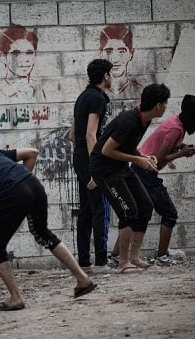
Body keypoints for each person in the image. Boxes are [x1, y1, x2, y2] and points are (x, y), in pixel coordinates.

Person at [0, 133, 96, 311]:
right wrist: (17, 180)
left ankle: (16, 297)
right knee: (43, 234)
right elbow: (32, 153)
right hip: (34, 186)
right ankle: (82, 279)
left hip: (13, 193)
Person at [89, 83, 170, 272]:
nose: (166, 107)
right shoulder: (129, 120)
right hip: (104, 169)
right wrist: (137, 160)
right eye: (165, 103)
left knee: (145, 205)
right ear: (158, 105)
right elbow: (106, 150)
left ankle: (134, 257)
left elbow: (126, 144)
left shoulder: (144, 120)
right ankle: (123, 262)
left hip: (120, 167)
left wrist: (142, 156)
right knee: (128, 210)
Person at [133, 95, 195, 266]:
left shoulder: (177, 124)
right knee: (169, 213)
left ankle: (116, 256)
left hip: (143, 171)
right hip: (145, 172)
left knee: (136, 215)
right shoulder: (176, 128)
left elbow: (163, 148)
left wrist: (181, 147)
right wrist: (182, 153)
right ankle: (162, 256)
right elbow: (159, 158)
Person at [69, 59, 115, 274]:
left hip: (80, 158)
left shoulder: (82, 97)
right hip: (90, 160)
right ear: (105, 76)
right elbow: (90, 134)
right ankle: (101, 263)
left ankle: (85, 262)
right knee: (99, 209)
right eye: (111, 74)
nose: (112, 78)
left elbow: (72, 135)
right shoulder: (97, 98)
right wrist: (95, 166)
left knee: (87, 210)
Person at [0, 25, 45, 103]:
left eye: (29, 53)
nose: (24, 59)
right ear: (4, 58)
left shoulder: (38, 91)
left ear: (35, 56)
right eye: (16, 53)